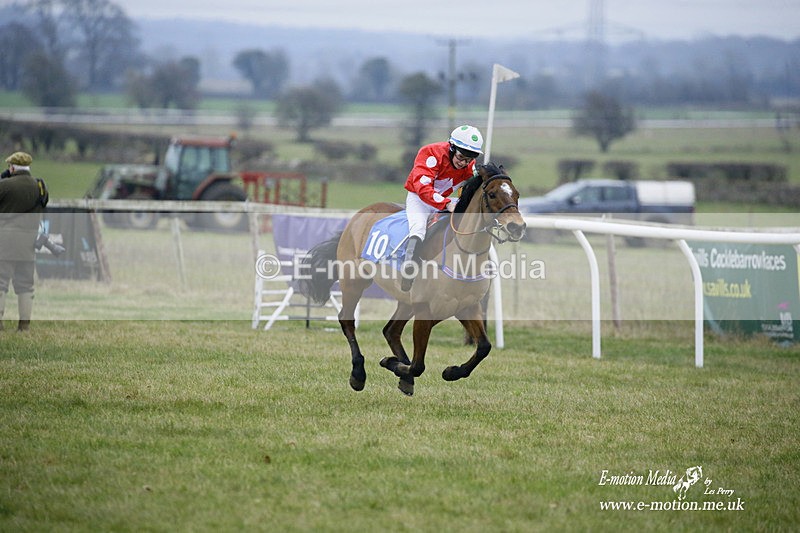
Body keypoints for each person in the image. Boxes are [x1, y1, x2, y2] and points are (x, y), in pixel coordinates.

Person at [401, 125, 483, 291]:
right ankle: (408, 267)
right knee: (418, 227)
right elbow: (422, 188)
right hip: (420, 198)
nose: (464, 163)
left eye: (469, 159)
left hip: (445, 199)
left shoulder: (469, 166)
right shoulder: (430, 152)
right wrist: (446, 204)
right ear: (452, 147)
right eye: (461, 157)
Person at [0, 152, 47, 331]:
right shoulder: (40, 186)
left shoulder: (4, 186)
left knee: (1, 283)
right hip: (28, 243)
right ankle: (24, 326)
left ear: (12, 167)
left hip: (4, 242)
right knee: (26, 285)